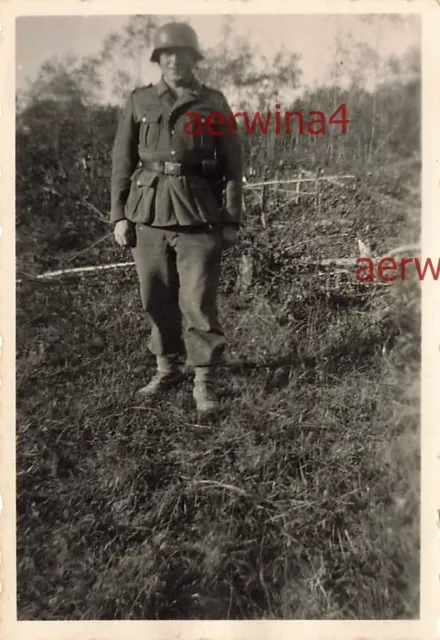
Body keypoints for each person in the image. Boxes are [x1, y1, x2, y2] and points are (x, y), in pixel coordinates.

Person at [110, 22, 244, 415]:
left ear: (194, 59)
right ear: (158, 60)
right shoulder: (139, 101)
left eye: (182, 54)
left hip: (199, 213)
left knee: (198, 301)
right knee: (155, 298)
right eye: (166, 55)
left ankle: (204, 380)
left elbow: (233, 164)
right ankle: (166, 368)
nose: (174, 61)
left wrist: (231, 218)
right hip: (147, 214)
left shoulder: (213, 103)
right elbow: (122, 161)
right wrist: (119, 215)